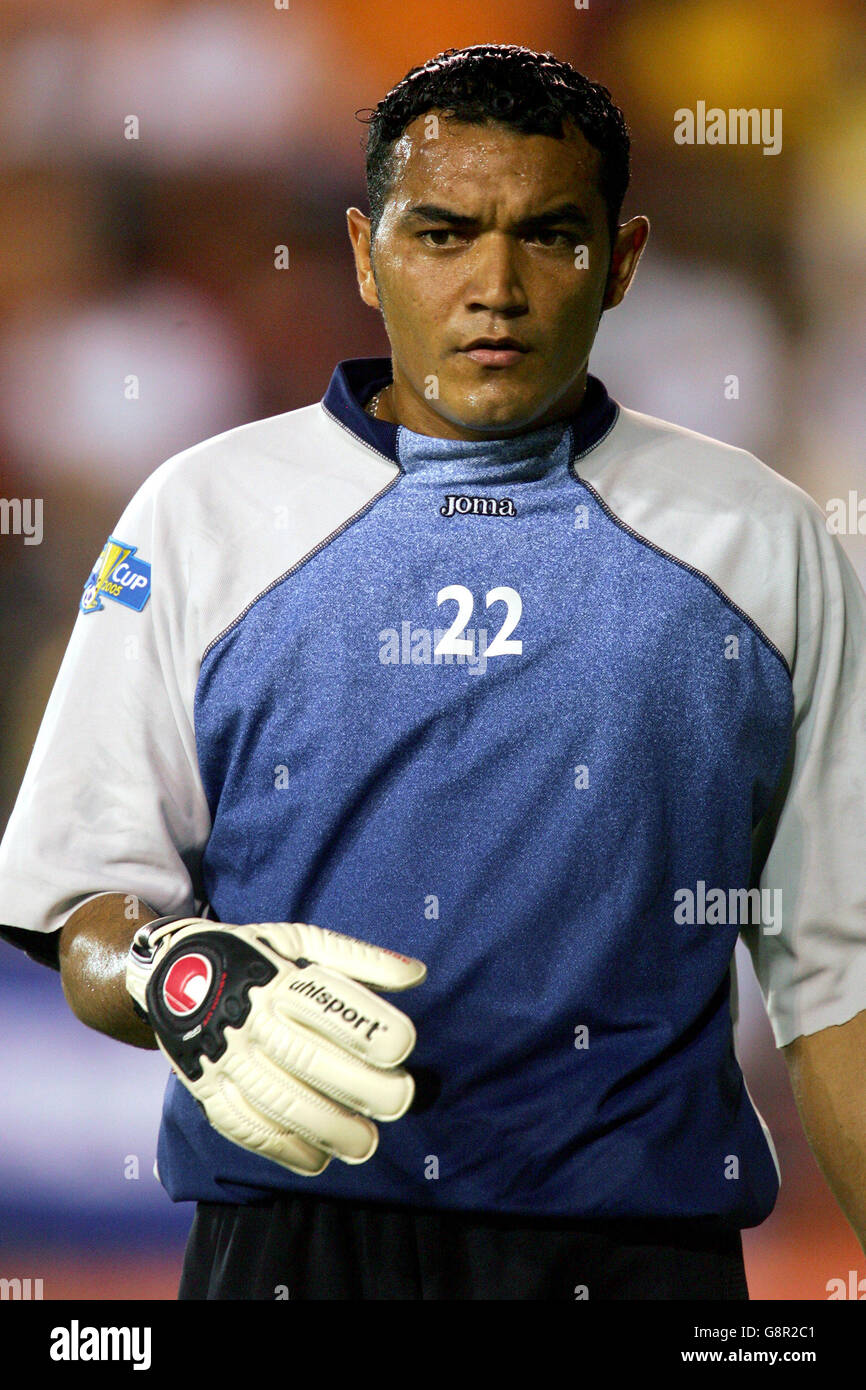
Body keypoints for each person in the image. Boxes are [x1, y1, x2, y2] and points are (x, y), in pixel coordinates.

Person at [2, 43, 866, 1302]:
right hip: (288, 1248)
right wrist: (173, 974)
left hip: (640, 1262)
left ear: (619, 260)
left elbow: (836, 977)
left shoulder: (762, 540)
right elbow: (80, 905)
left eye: (549, 238)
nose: (494, 288)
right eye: (443, 233)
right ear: (362, 252)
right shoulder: (201, 515)